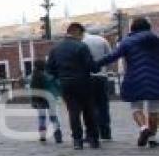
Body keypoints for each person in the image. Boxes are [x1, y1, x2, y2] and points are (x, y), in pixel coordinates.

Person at [96, 16, 159, 148]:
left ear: (133, 28)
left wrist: (95, 64)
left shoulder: (128, 41)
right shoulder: (156, 39)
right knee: (154, 109)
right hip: (155, 77)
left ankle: (143, 128)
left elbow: (112, 56)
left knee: (136, 107)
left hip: (135, 77)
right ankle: (152, 138)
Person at [45, 22, 100, 149]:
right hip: (83, 83)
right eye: (82, 35)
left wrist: (58, 80)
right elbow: (91, 66)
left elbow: (49, 70)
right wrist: (98, 65)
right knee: (88, 111)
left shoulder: (55, 49)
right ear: (77, 32)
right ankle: (92, 139)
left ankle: (77, 140)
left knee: (73, 112)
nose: (82, 37)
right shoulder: (82, 46)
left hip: (66, 84)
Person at [82, 25, 113, 139]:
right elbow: (110, 57)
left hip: (87, 77)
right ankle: (106, 132)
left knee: (90, 106)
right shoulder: (103, 40)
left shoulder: (82, 42)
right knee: (103, 105)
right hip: (102, 76)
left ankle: (91, 132)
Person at [27, 58, 63, 144]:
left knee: (41, 118)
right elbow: (57, 85)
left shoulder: (33, 77)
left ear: (35, 66)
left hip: (39, 100)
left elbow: (32, 90)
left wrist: (33, 102)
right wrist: (59, 94)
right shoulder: (49, 75)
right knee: (54, 118)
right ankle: (58, 136)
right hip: (50, 99)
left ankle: (42, 136)